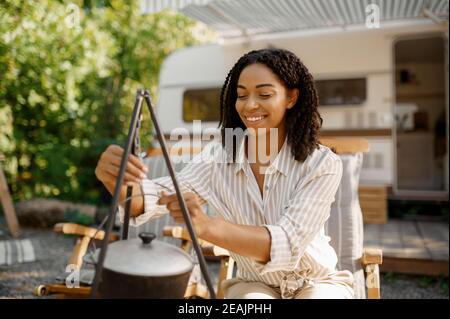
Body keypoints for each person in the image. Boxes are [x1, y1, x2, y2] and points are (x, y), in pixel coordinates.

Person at [95, 48, 354, 299]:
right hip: (255, 283)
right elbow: (150, 198)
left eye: (264, 94)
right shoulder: (218, 158)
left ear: (291, 98)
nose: (250, 105)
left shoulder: (321, 163)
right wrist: (117, 180)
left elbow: (287, 242)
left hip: (317, 282)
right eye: (241, 96)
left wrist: (207, 226)